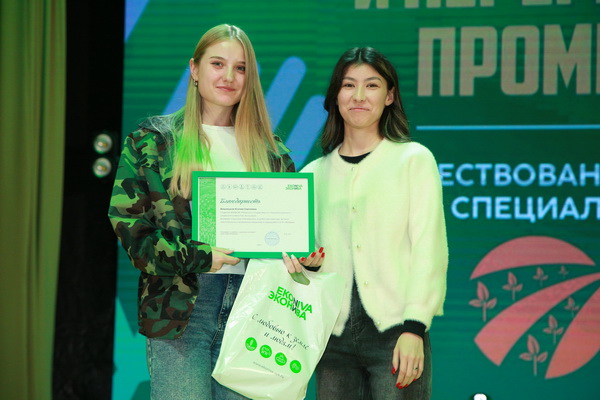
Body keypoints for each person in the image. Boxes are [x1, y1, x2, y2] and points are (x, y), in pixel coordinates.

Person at [108, 24, 320, 399]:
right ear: (194, 69)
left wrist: (304, 257)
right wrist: (202, 256)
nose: (228, 77)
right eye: (217, 64)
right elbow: (133, 234)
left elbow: (289, 236)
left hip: (256, 311)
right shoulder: (153, 143)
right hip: (180, 309)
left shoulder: (272, 153)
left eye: (240, 68)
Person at [297, 47, 448, 399]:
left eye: (372, 85)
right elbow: (302, 264)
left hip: (396, 331)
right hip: (331, 337)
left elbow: (429, 248)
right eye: (349, 85)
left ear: (389, 96)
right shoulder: (312, 174)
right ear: (335, 96)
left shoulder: (414, 160)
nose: (359, 96)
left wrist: (415, 328)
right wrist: (307, 263)